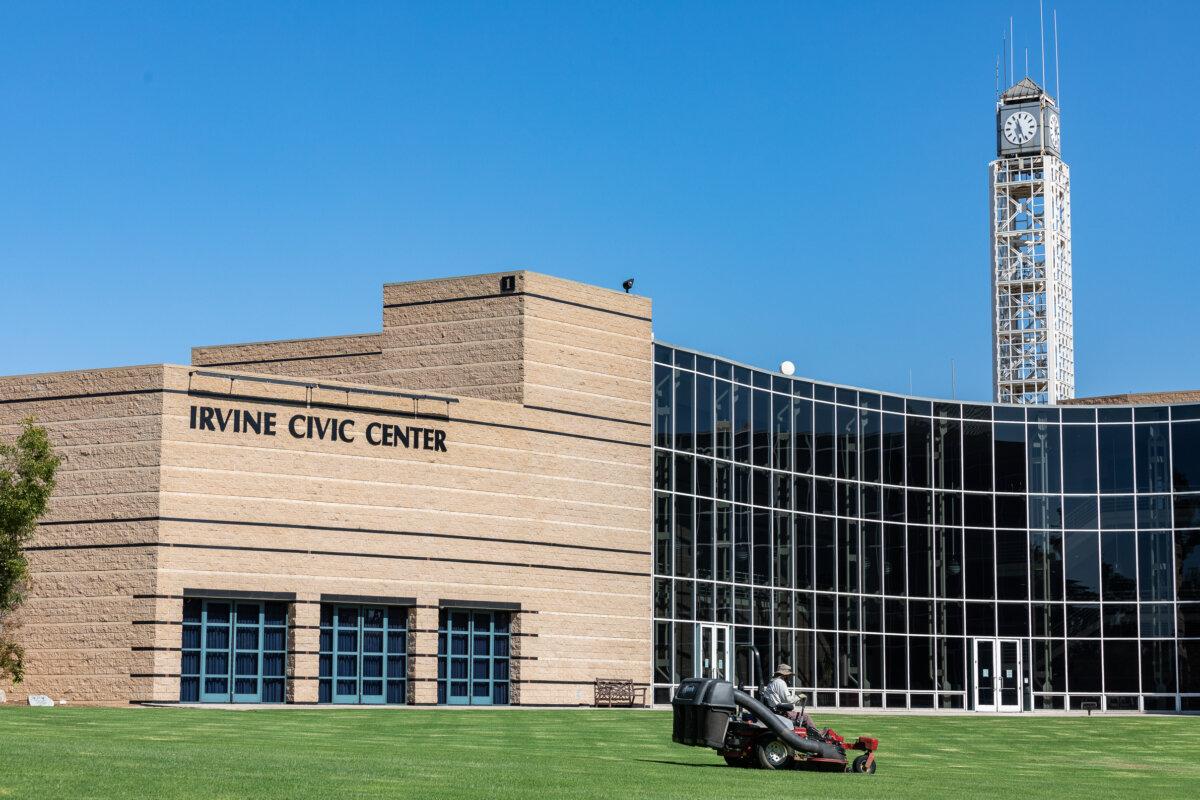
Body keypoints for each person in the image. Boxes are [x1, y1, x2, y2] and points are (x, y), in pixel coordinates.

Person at [760, 663, 815, 731]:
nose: (788, 677)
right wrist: (799, 696)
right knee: (805, 716)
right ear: (785, 675)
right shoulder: (780, 682)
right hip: (779, 711)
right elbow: (788, 700)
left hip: (774, 710)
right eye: (788, 675)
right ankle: (818, 736)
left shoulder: (772, 682)